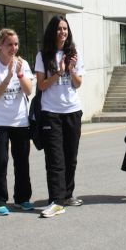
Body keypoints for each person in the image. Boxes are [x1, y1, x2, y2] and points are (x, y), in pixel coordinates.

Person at [34, 15, 84, 218]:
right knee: (55, 158)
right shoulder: (43, 55)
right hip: (51, 113)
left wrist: (71, 71)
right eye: (58, 29)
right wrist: (59, 73)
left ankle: (67, 194)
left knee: (71, 157)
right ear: (52, 31)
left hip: (72, 110)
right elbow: (41, 85)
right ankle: (56, 201)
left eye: (65, 28)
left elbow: (78, 84)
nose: (62, 32)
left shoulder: (74, 54)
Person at [0, 28, 34, 216]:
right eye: (9, 44)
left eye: (16, 44)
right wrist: (8, 77)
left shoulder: (23, 63)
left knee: (22, 162)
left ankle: (22, 198)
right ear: (0, 46)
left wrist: (20, 75)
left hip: (20, 121)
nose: (13, 48)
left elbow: (29, 91)